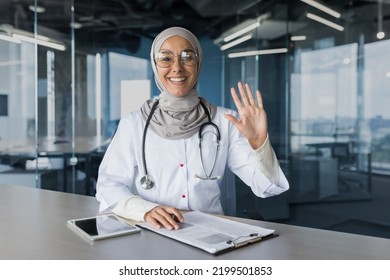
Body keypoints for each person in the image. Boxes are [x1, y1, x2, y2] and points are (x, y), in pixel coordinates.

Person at [95, 26, 289, 230]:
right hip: (154, 233)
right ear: (155, 64)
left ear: (198, 63)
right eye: (166, 58)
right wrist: (145, 210)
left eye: (187, 56)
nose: (177, 67)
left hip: (212, 233)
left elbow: (266, 187)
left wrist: (259, 144)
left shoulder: (226, 121)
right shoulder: (133, 124)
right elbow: (109, 185)